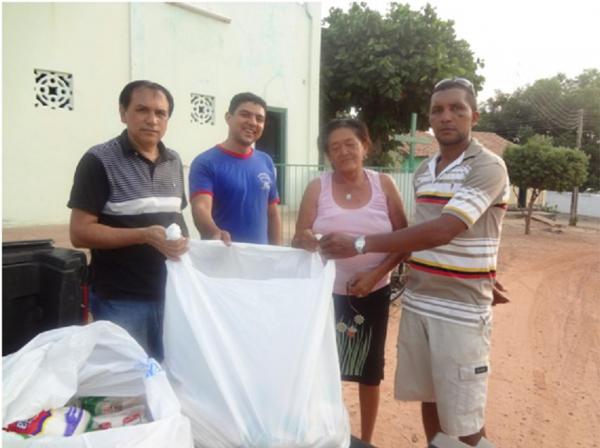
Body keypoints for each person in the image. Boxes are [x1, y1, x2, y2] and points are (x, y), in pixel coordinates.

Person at [319, 78, 511, 446]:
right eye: (437, 110)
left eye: (457, 108)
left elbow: (443, 230)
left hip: (461, 311)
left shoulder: (488, 167)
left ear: (475, 114)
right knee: (431, 401)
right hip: (419, 303)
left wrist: (360, 243)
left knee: (465, 419)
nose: (446, 117)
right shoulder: (425, 171)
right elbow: (419, 236)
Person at [292, 118, 408, 444]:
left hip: (374, 291)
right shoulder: (318, 187)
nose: (343, 151)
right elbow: (298, 237)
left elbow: (404, 240)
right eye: (334, 147)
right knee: (323, 368)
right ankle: (326, 435)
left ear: (365, 146)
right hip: (325, 296)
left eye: (350, 144)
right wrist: (308, 239)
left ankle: (366, 440)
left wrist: (374, 275)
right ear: (328, 155)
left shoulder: (384, 185)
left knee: (369, 372)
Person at [68, 80, 188, 361]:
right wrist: (144, 235)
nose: (152, 119)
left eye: (161, 113)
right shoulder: (98, 160)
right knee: (126, 382)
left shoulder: (173, 161)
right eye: (142, 109)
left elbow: (175, 217)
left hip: (171, 295)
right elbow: (80, 232)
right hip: (121, 300)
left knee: (167, 375)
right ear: (123, 113)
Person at [188, 92, 282, 245]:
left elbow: (273, 213)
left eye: (259, 119)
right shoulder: (205, 162)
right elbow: (201, 207)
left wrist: (278, 253)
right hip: (223, 257)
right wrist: (214, 232)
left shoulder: (266, 161)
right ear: (228, 117)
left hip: (260, 259)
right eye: (245, 115)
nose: (253, 122)